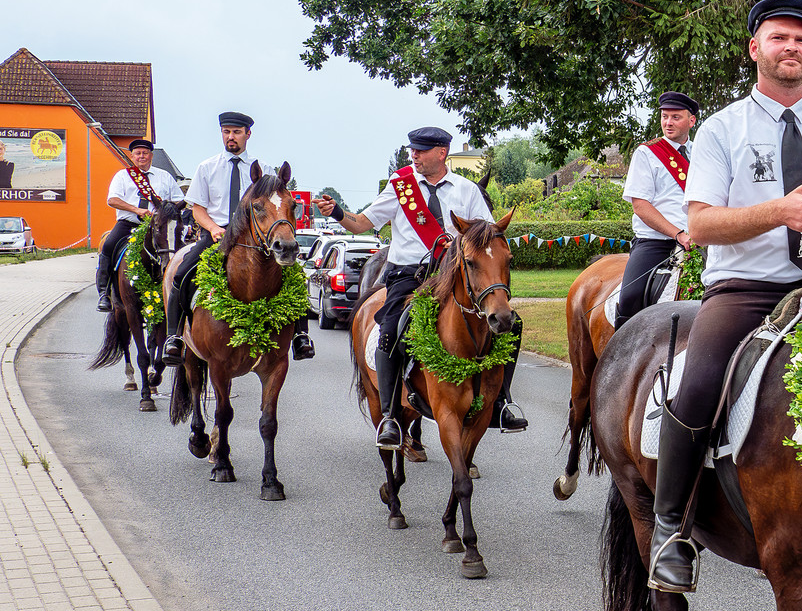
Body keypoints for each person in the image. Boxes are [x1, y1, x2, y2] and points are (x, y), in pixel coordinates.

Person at [650, 0, 802, 593]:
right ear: (755, 48)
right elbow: (700, 224)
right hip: (746, 289)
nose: (791, 48)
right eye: (779, 38)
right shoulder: (721, 130)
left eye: (801, 40)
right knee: (697, 383)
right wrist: (779, 212)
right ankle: (669, 529)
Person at [314, 126, 528, 448]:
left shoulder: (467, 190)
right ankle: (389, 416)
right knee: (389, 330)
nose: (413, 155)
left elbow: (488, 234)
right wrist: (338, 213)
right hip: (408, 275)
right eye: (412, 150)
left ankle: (501, 403)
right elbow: (361, 223)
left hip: (454, 275)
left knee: (512, 324)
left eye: (421, 150)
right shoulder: (400, 187)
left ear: (441, 153)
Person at [162, 112, 315, 363]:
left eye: (236, 132)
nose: (230, 137)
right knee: (181, 273)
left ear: (247, 134)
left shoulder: (264, 169)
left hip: (255, 238)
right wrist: (212, 228)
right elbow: (197, 208)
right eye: (226, 132)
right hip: (217, 233)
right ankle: (174, 338)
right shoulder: (207, 167)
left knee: (294, 276)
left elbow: (274, 207)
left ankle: (301, 336)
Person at [616, 90, 700, 328]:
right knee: (631, 295)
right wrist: (678, 234)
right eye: (665, 116)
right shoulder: (647, 153)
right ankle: (622, 354)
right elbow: (641, 206)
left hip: (701, 240)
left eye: (675, 117)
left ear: (691, 120)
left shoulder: (702, 152)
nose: (668, 123)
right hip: (656, 242)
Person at [97, 139, 182, 310]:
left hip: (159, 227)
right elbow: (112, 200)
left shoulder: (164, 176)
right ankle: (104, 293)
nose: (141, 156)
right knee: (108, 246)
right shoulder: (122, 176)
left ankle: (177, 291)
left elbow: (179, 200)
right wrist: (136, 210)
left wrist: (165, 211)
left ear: (151, 155)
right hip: (129, 224)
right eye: (138, 153)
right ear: (132, 156)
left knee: (178, 251)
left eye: (145, 153)